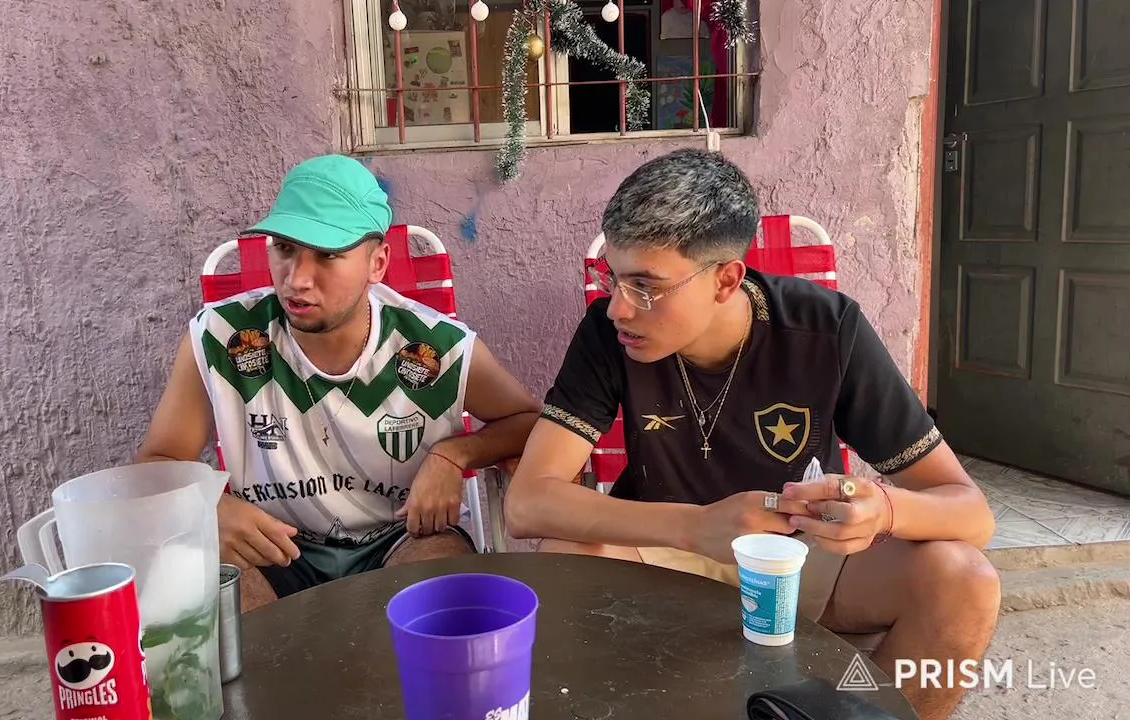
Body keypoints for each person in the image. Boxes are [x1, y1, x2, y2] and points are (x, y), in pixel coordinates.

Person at [503, 148, 1000, 720]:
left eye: (645, 286)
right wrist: (696, 527)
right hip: (664, 551)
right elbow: (528, 503)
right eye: (612, 278)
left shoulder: (824, 329)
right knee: (565, 558)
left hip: (798, 557)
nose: (619, 308)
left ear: (726, 279)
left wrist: (882, 509)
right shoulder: (607, 335)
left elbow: (971, 514)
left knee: (962, 580)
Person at [137, 154, 540, 597]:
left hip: (403, 536)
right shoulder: (223, 337)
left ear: (377, 264)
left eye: (328, 255)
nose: (297, 280)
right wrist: (206, 507)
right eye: (284, 249)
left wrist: (455, 454)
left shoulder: (435, 347)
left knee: (442, 590)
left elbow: (530, 422)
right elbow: (160, 460)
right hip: (273, 543)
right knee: (207, 587)